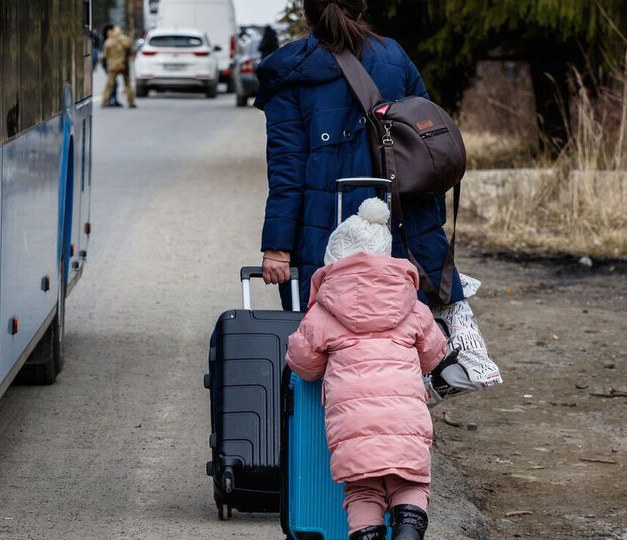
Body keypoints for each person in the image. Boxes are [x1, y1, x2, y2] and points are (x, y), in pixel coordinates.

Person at [253, 0, 464, 310]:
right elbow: (427, 143)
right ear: (361, 9)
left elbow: (287, 169)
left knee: (326, 333)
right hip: (401, 222)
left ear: (306, 13)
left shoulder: (291, 71)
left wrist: (277, 248)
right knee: (401, 329)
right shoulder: (394, 56)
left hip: (324, 231)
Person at [286, 198, 447, 540]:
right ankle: (408, 531)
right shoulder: (412, 306)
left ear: (334, 263)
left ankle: (367, 534)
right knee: (411, 482)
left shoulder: (324, 312)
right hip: (405, 419)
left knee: (363, 492)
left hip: (353, 424)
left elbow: (304, 365)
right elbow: (434, 354)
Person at [102, 25, 136, 109]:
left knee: (109, 85)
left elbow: (105, 55)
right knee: (127, 84)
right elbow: (131, 50)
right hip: (124, 64)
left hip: (113, 65)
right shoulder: (125, 40)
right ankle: (131, 102)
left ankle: (105, 101)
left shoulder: (109, 41)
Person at [101, 24, 120, 107]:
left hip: (113, 64)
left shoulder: (115, 41)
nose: (111, 34)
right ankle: (109, 100)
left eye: (112, 32)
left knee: (114, 83)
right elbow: (105, 56)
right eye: (109, 32)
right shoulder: (106, 42)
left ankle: (113, 99)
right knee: (112, 83)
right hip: (108, 64)